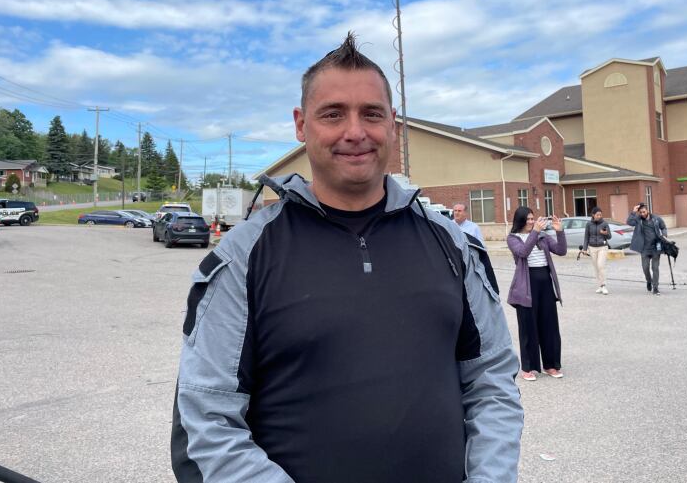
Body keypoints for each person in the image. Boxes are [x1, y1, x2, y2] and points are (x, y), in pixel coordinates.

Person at [171, 33, 524, 483]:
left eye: (371, 114)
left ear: (392, 124)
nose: (355, 132)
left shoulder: (451, 244)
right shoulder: (244, 255)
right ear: (301, 125)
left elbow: (491, 383)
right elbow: (207, 420)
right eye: (333, 114)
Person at [506, 207, 567, 381]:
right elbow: (522, 252)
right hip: (526, 285)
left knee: (549, 326)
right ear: (520, 221)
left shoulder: (542, 236)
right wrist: (536, 232)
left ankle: (551, 365)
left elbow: (561, 250)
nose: (532, 222)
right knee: (528, 327)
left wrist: (559, 231)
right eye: (528, 219)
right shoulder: (513, 238)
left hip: (545, 284)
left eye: (533, 219)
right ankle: (528, 367)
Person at [627, 202, 669, 295]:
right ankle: (649, 281)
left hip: (656, 247)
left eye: (644, 212)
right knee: (645, 268)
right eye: (640, 212)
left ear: (648, 211)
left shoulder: (656, 219)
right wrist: (633, 212)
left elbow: (663, 227)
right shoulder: (638, 219)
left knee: (655, 268)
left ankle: (655, 288)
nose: (642, 214)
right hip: (644, 249)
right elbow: (629, 222)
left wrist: (664, 235)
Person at [583, 206, 612, 295]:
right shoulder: (588, 224)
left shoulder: (604, 223)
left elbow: (609, 236)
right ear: (593, 215)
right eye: (597, 215)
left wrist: (605, 233)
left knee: (600, 266)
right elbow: (586, 237)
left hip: (602, 247)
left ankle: (603, 285)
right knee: (596, 267)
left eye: (600, 215)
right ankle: (599, 286)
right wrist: (584, 249)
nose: (599, 216)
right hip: (592, 248)